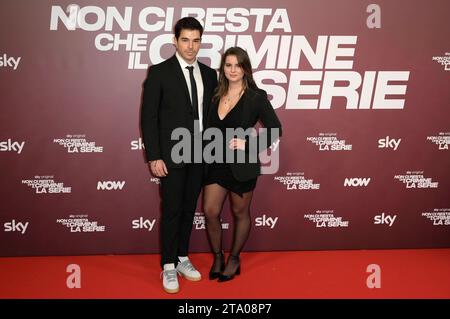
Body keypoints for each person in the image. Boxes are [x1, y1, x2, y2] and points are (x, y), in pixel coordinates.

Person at [140, 17, 218, 293]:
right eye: (185, 40)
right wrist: (154, 156)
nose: (190, 46)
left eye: (196, 40)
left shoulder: (210, 74)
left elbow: (213, 116)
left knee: (188, 209)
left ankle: (183, 258)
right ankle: (169, 265)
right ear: (175, 41)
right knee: (172, 210)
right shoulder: (159, 72)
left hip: (200, 153)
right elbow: (149, 118)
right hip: (171, 155)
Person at [203, 47, 282, 282]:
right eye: (228, 65)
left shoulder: (256, 97)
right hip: (215, 161)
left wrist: (250, 145)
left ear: (245, 68)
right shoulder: (215, 94)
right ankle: (218, 256)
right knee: (210, 211)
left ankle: (234, 258)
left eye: (238, 65)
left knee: (240, 212)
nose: (233, 70)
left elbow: (276, 128)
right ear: (223, 68)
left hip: (242, 164)